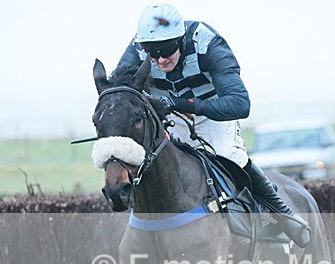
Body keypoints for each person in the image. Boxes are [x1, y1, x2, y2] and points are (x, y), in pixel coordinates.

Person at [116, 4, 310, 247]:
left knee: (230, 154)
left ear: (181, 39)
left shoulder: (207, 44)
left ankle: (281, 212)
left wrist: (182, 103)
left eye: (167, 50)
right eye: (153, 54)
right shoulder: (136, 49)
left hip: (213, 115)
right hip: (170, 118)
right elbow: (121, 93)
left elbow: (240, 104)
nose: (161, 59)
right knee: (152, 164)